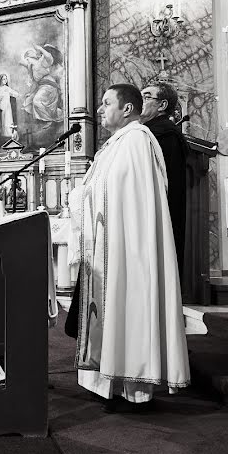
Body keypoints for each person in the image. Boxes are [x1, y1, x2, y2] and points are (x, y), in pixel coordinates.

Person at [65, 83, 189, 411]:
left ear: (128, 109)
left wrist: (84, 196)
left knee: (128, 309)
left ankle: (133, 386)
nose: (101, 109)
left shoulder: (136, 140)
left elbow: (132, 197)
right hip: (112, 243)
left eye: (107, 103)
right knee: (110, 310)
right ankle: (109, 382)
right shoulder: (117, 143)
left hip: (129, 247)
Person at [141, 82, 189, 281]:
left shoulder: (164, 135)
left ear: (162, 105)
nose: (140, 101)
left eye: (146, 96)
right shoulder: (148, 132)